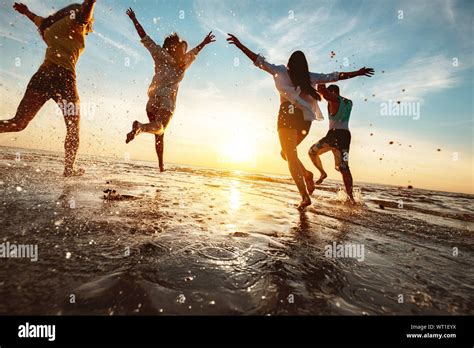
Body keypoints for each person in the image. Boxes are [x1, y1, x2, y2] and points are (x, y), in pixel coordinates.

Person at [226, 33, 373, 210]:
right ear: (304, 65)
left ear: (289, 62)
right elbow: (333, 76)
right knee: (287, 154)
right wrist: (357, 73)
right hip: (305, 120)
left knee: (290, 156)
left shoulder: (280, 71)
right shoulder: (309, 77)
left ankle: (304, 196)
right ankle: (307, 174)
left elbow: (259, 60)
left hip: (287, 115)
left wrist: (239, 45)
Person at [0, 1, 96, 177]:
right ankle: (69, 170)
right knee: (73, 128)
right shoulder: (74, 22)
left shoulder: (47, 26)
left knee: (18, 122)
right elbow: (84, 14)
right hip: (64, 80)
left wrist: (26, 11)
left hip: (42, 77)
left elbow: (34, 18)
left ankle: (69, 170)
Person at [125, 8, 215, 172]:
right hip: (167, 101)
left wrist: (134, 19)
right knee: (160, 127)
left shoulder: (160, 53)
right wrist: (205, 42)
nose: (183, 50)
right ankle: (140, 127)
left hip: (151, 101)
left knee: (159, 133)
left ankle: (160, 166)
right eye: (181, 48)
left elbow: (145, 38)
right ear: (174, 48)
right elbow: (195, 51)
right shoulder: (184, 62)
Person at [309, 84, 356, 204]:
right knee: (344, 167)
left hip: (334, 135)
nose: (326, 99)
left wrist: (321, 85)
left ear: (333, 92)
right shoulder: (349, 102)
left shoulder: (334, 99)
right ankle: (351, 197)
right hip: (346, 136)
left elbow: (325, 94)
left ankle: (322, 173)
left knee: (312, 152)